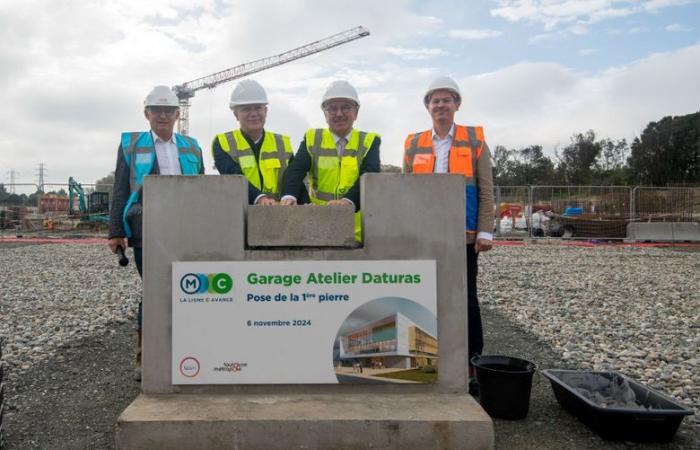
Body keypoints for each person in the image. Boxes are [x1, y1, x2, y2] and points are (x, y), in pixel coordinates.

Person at [403, 76, 494, 395]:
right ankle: (428, 356)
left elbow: (485, 188)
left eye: (446, 100)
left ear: (457, 104)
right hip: (426, 235)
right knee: (426, 295)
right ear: (427, 107)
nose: (440, 105)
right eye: (435, 100)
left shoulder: (475, 140)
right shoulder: (414, 143)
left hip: (464, 235)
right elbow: (407, 190)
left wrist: (485, 230)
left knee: (467, 298)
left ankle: (472, 360)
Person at [108, 85, 204, 380]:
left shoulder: (190, 146)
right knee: (154, 290)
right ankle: (146, 357)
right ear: (146, 113)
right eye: (157, 111)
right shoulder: (132, 145)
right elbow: (121, 188)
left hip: (184, 229)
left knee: (190, 289)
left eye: (168, 111)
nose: (163, 116)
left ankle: (188, 351)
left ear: (178, 114)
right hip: (145, 230)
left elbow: (202, 188)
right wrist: (115, 231)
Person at [280, 80, 380, 242]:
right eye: (332, 108)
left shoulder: (369, 141)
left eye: (346, 107)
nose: (339, 114)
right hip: (317, 227)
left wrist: (347, 202)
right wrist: (289, 196)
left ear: (356, 112)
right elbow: (295, 170)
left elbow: (369, 177)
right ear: (325, 114)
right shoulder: (313, 138)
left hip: (357, 232)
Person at [212, 79, 308, 204]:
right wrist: (261, 198)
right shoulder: (222, 143)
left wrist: (305, 205)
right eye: (246, 109)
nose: (253, 114)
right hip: (239, 216)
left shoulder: (282, 143)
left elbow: (293, 179)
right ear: (236, 115)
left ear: (265, 111)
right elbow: (234, 177)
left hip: (279, 216)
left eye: (258, 108)